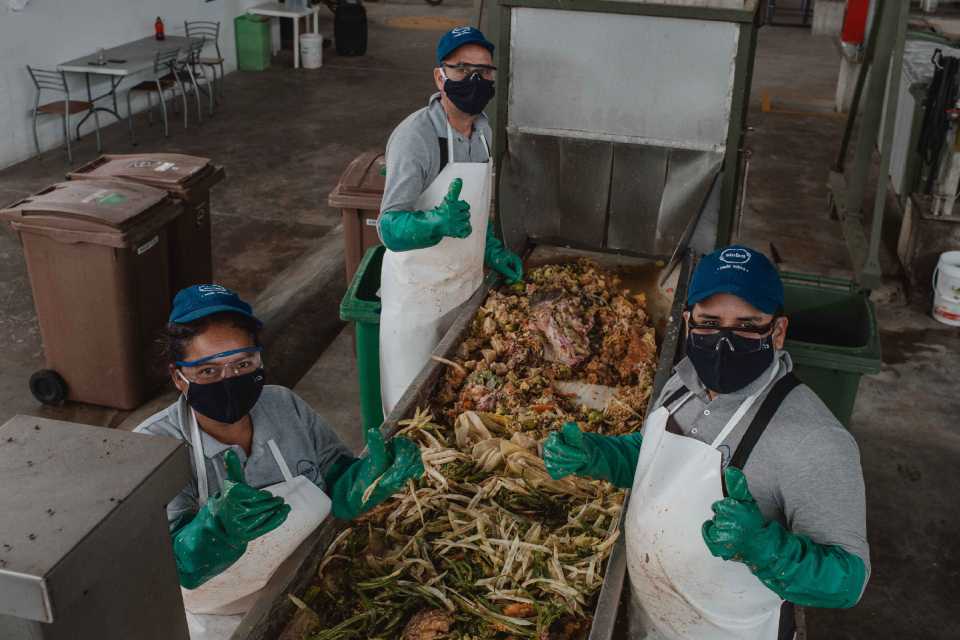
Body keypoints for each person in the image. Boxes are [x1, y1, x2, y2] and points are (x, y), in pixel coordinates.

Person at [542, 245, 869, 640]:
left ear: (778, 331)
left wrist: (763, 548)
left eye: (748, 326)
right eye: (709, 323)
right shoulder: (683, 382)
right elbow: (653, 462)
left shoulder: (815, 440)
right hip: (652, 618)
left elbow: (848, 580)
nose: (724, 341)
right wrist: (597, 455)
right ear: (687, 323)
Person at [135, 284, 423, 632]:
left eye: (243, 363)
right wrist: (217, 533)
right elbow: (161, 566)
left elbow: (335, 473)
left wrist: (363, 482)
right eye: (208, 371)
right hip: (223, 621)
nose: (229, 380)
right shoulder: (154, 445)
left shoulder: (283, 406)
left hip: (314, 583)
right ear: (179, 378)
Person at [377, 25, 523, 415]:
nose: (475, 79)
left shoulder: (485, 131)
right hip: (417, 304)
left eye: (484, 71)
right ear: (440, 76)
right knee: (413, 416)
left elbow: (476, 210)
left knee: (458, 406)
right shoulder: (416, 137)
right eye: (462, 69)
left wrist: (490, 249)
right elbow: (389, 228)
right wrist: (435, 223)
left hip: (465, 291)